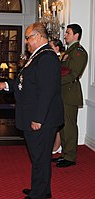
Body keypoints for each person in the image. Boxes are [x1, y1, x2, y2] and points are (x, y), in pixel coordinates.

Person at [0, 22, 64, 199]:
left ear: (39, 37)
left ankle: (39, 194)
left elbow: (47, 91)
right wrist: (6, 85)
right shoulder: (37, 55)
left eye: (28, 38)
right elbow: (24, 82)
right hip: (35, 115)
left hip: (42, 119)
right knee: (38, 157)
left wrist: (38, 119)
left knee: (40, 157)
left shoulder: (46, 57)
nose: (26, 42)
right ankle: (41, 189)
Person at [52, 24, 88, 168]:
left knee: (69, 126)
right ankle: (65, 154)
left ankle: (70, 157)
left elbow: (73, 74)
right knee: (63, 126)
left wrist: (54, 81)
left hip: (70, 93)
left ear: (76, 35)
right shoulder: (68, 51)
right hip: (63, 93)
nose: (65, 35)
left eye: (67, 33)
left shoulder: (78, 52)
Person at [49, 39, 65, 154]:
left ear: (57, 48)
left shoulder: (60, 58)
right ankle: (55, 144)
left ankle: (58, 145)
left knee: (59, 122)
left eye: (51, 47)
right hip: (55, 93)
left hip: (63, 92)